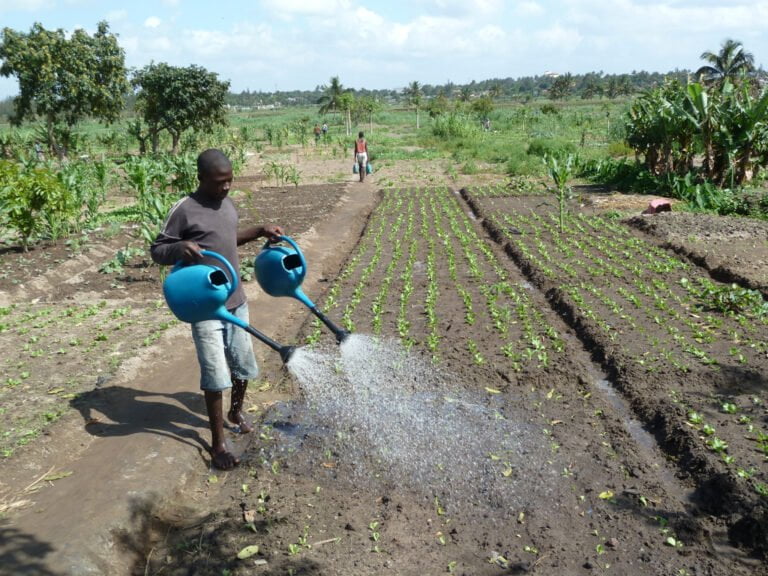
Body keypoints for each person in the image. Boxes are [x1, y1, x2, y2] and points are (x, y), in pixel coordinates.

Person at [150, 148, 283, 470]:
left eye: (230, 181)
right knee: (215, 373)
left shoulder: (227, 203)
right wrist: (179, 247)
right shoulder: (184, 209)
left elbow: (225, 239)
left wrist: (260, 231)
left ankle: (236, 412)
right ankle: (218, 444)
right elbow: (157, 249)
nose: (226, 187)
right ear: (201, 178)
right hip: (205, 305)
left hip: (236, 299)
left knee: (242, 365)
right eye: (219, 182)